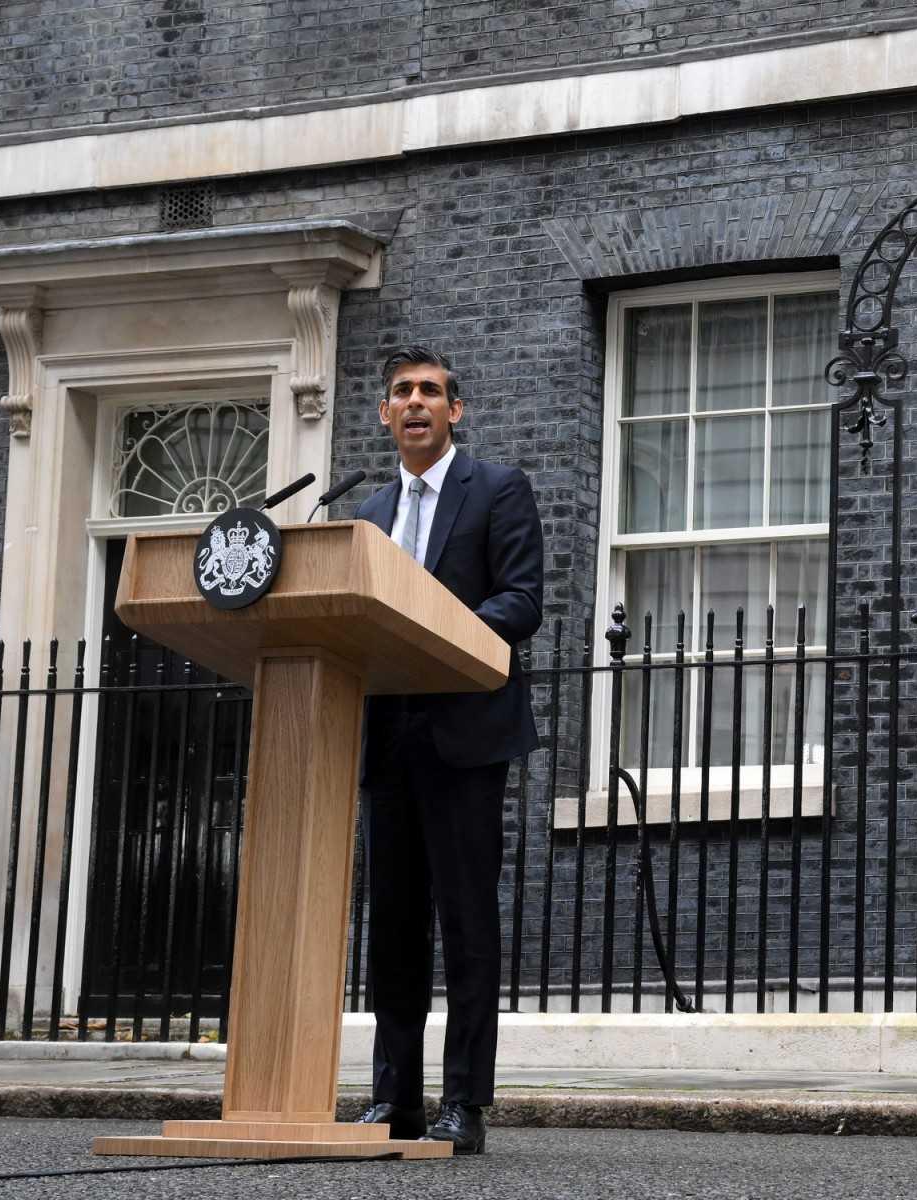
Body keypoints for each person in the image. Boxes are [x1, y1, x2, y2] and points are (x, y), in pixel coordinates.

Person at [351, 346, 543, 1155]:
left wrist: (437, 627)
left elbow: (521, 601)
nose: (416, 402)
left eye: (430, 391)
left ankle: (465, 1102)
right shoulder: (365, 514)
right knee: (392, 926)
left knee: (466, 924)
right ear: (385, 414)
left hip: (465, 734)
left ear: (454, 411)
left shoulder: (497, 489)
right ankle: (393, 1098)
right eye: (402, 392)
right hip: (388, 736)